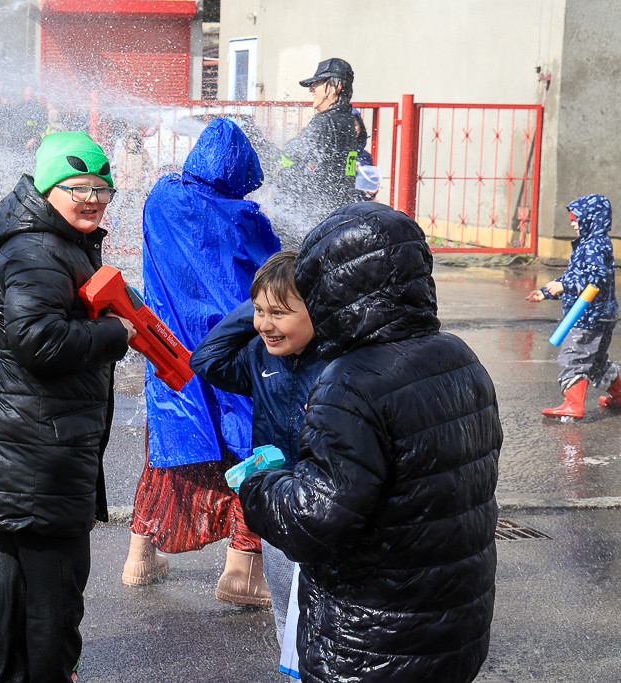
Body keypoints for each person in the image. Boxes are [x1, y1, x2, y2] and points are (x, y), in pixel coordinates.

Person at [239, 202, 502, 683]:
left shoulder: (351, 383)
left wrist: (261, 485)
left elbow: (317, 521)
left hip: (374, 637)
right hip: (454, 623)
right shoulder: (459, 357)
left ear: (333, 289)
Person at [0, 131, 134, 683]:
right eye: (77, 187)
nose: (92, 199)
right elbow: (38, 341)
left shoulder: (55, 242)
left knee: (22, 585)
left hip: (31, 441)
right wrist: (115, 335)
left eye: (102, 189)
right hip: (40, 447)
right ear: (46, 187)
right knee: (54, 595)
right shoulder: (38, 251)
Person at [122, 118, 282, 607]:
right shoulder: (245, 219)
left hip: (170, 353)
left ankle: (140, 558)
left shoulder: (161, 199)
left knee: (170, 449)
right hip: (232, 355)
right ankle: (241, 572)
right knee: (251, 455)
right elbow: (273, 278)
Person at [189, 250, 326, 667]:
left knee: (325, 614)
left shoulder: (339, 362)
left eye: (280, 313)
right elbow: (205, 359)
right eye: (259, 312)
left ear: (318, 309)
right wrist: (263, 301)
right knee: (286, 611)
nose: (265, 324)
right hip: (277, 506)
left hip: (324, 507)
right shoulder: (259, 355)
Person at [526, 194, 620, 418]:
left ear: (592, 219)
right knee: (595, 363)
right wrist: (547, 292)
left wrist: (564, 285)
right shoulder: (590, 244)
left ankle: (573, 404)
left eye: (576, 219)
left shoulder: (595, 246)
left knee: (573, 358)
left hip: (590, 318)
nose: (572, 223)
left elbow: (596, 278)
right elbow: (574, 277)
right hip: (598, 316)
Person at [273, 58, 360, 249]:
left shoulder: (325, 122)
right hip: (333, 218)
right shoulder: (346, 120)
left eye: (317, 84)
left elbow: (289, 157)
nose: (311, 89)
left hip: (310, 223)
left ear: (336, 87)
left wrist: (262, 149)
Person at [11, 85, 47, 152]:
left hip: (33, 144)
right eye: (25, 92)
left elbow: (43, 127)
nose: (26, 94)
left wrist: (34, 139)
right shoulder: (19, 107)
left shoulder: (40, 109)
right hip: (17, 143)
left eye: (28, 92)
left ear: (34, 94)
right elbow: (12, 122)